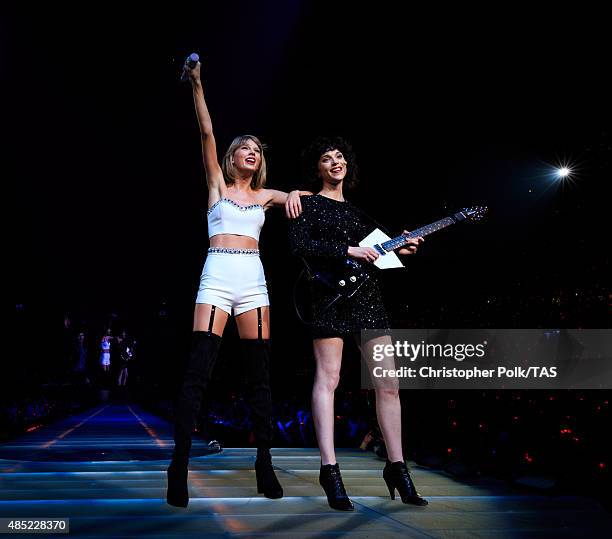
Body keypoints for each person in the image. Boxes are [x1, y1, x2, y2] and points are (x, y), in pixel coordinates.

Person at [166, 59, 309, 508]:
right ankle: (180, 464)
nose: (252, 152)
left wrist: (310, 197)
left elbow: (304, 201)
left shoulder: (267, 196)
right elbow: (207, 132)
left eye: (257, 149)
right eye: (245, 147)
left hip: (254, 281)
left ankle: (263, 462)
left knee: (259, 377)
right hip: (216, 275)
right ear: (231, 158)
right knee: (198, 371)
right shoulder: (216, 185)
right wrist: (197, 82)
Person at [289, 136, 428, 510]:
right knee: (328, 379)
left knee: (389, 385)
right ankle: (329, 470)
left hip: (367, 299)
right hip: (328, 298)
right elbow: (299, 246)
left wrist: (401, 247)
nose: (335, 162)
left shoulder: (360, 215)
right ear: (317, 168)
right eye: (326, 158)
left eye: (339, 157)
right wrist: (348, 249)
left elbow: (377, 253)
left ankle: (398, 468)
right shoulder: (307, 203)